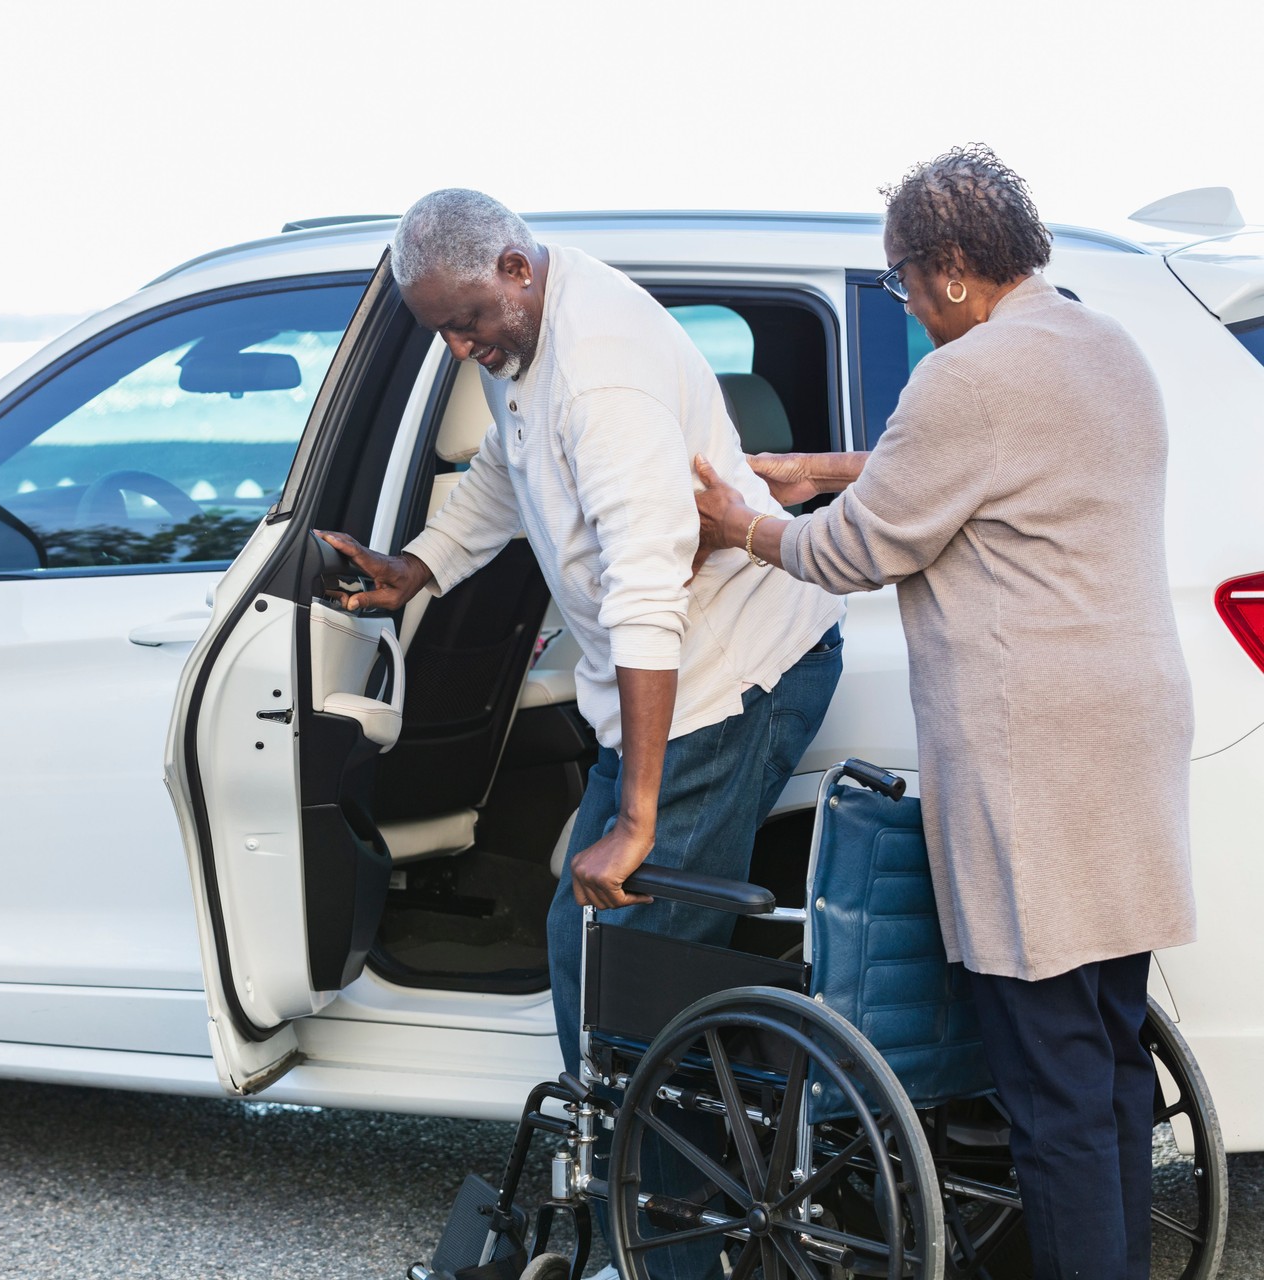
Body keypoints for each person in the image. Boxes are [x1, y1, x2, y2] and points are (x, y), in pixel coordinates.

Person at [318, 188, 843, 1277]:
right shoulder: (526, 339)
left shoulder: (601, 380)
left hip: (724, 675)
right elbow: (506, 475)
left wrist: (639, 817)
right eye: (441, 332)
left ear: (516, 265)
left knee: (629, 964)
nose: (460, 346)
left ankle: (665, 1244)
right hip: (673, 677)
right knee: (601, 948)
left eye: (468, 321)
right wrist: (420, 566)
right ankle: (647, 1217)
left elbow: (651, 598)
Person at [694, 145, 1195, 1280]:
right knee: (1107, 1055)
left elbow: (860, 547)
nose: (905, 303)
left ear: (955, 269)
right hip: (1124, 744)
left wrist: (745, 526)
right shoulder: (1100, 343)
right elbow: (996, 469)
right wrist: (834, 461)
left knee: (1045, 1082)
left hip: (1040, 756)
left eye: (903, 281)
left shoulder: (965, 379)